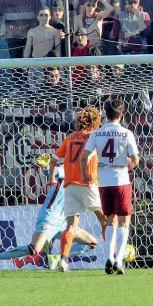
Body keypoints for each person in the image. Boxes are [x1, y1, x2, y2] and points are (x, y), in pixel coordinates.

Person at [0, 156, 97, 269]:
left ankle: (58, 258)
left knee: (91, 242)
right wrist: (47, 167)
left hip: (65, 223)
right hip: (50, 218)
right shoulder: (66, 170)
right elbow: (53, 173)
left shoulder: (85, 180)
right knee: (34, 249)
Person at [81, 98, 140, 275]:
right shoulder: (126, 133)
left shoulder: (96, 134)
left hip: (103, 182)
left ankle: (108, 257)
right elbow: (136, 159)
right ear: (121, 114)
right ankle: (119, 259)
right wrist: (129, 164)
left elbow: (84, 157)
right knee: (124, 221)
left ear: (105, 115)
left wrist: (86, 175)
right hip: (121, 180)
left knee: (109, 220)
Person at [48, 107, 107, 272]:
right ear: (96, 121)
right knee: (105, 220)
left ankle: (64, 261)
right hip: (87, 184)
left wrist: (52, 179)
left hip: (70, 186)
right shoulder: (94, 137)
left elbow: (53, 161)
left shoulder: (70, 138)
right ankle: (114, 254)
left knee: (70, 227)